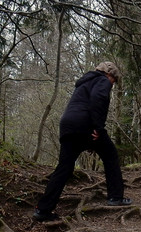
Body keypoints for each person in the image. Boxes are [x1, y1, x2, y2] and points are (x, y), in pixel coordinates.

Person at [33, 61, 132, 222]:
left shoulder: (84, 82)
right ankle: (115, 197)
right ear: (109, 75)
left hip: (67, 125)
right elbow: (97, 100)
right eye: (114, 80)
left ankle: (42, 210)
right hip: (85, 124)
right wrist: (98, 129)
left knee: (64, 167)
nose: (113, 84)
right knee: (111, 155)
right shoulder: (102, 81)